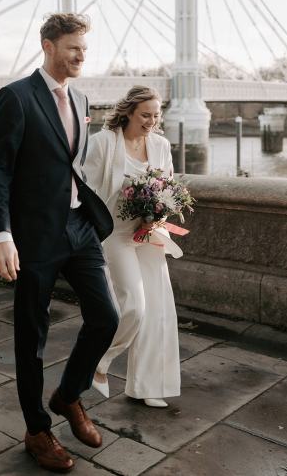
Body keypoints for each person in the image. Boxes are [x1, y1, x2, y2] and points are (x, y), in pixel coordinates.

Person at [0, 13, 119, 473]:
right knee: (32, 338)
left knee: (106, 317)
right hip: (35, 236)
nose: (81, 56)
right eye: (73, 48)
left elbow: (69, 162)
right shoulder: (16, 97)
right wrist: (1, 234)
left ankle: (67, 395)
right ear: (48, 45)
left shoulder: (80, 99)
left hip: (79, 228)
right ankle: (37, 429)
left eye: (85, 49)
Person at [84, 86, 181, 408]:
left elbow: (168, 188)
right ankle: (99, 361)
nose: (151, 121)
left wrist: (158, 216)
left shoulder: (161, 145)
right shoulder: (102, 143)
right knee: (134, 307)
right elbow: (87, 192)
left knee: (157, 312)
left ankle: (147, 386)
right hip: (115, 234)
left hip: (149, 234)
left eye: (156, 115)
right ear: (127, 112)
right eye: (145, 115)